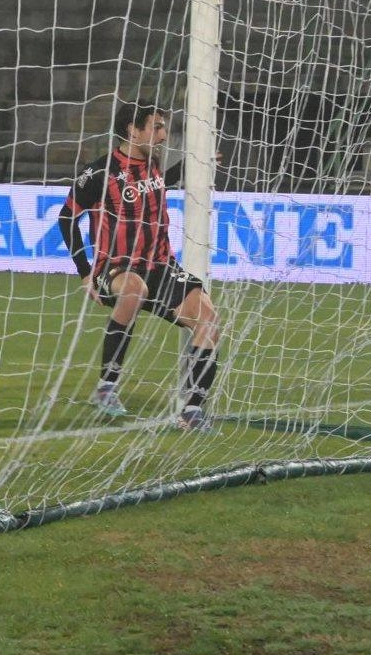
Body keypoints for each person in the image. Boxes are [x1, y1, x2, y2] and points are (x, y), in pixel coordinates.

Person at [57, 100, 222, 431]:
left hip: (161, 266)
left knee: (209, 321)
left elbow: (160, 183)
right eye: (157, 127)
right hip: (115, 267)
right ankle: (107, 387)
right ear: (133, 130)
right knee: (134, 290)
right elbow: (67, 218)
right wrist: (85, 271)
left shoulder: (154, 163)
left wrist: (195, 165)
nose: (162, 135)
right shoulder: (98, 173)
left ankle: (191, 411)